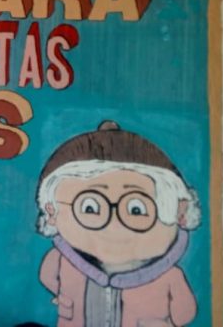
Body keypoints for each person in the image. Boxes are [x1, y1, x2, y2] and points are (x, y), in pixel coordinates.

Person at [36, 120, 199, 327]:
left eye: (136, 210)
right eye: (90, 208)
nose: (113, 225)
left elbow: (184, 314)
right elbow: (48, 277)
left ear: (178, 213)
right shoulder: (63, 260)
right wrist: (66, 301)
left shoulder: (169, 276)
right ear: (52, 212)